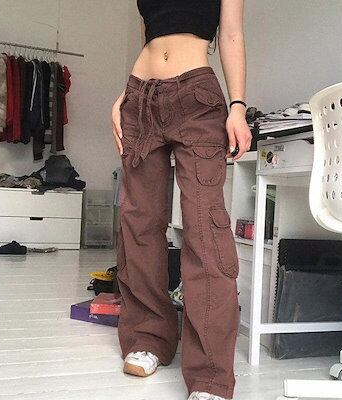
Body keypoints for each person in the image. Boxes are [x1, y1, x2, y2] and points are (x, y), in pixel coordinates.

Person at [111, 1, 251, 399]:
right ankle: (148, 337)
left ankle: (210, 375)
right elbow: (151, 37)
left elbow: (231, 34)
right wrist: (124, 96)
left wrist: (237, 106)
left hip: (196, 97)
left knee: (206, 230)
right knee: (139, 224)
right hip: (140, 98)